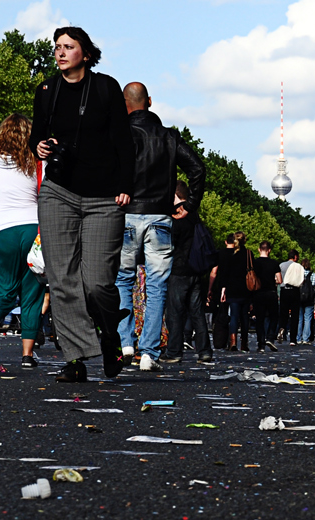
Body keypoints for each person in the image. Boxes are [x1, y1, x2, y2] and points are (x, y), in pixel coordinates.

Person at [29, 27, 135, 382]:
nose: (60, 52)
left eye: (68, 47)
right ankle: (75, 359)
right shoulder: (46, 90)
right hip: (59, 192)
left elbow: (124, 140)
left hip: (104, 197)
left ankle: (109, 335)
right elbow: (36, 136)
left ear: (86, 54)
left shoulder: (105, 87)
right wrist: (39, 148)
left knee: (96, 283)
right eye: (57, 47)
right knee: (61, 279)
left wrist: (125, 185)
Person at [116, 81, 206, 369]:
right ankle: (149, 352)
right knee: (156, 287)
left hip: (126, 213)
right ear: (150, 101)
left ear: (124, 103)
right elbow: (197, 168)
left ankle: (125, 341)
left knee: (122, 280)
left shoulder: (118, 134)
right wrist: (189, 206)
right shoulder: (169, 137)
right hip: (159, 217)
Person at [0, 114, 47, 368]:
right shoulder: (36, 157)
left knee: (2, 289)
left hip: (2, 230)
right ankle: (27, 354)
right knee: (32, 292)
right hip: (32, 228)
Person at [164, 181, 214, 365]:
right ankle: (204, 351)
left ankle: (174, 351)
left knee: (175, 313)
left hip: (179, 269)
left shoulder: (177, 215)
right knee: (197, 313)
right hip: (196, 270)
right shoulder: (195, 216)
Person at [217, 232, 252, 352]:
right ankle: (244, 343)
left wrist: (223, 289)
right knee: (244, 318)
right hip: (246, 288)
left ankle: (233, 342)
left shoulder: (229, 254)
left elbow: (225, 273)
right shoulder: (248, 254)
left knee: (234, 316)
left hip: (232, 288)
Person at [253, 241, 282, 352]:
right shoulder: (274, 263)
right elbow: (280, 280)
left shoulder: (255, 263)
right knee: (273, 317)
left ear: (259, 249)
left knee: (259, 319)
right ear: (269, 250)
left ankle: (261, 344)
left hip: (258, 293)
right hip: (271, 293)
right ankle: (270, 337)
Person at [208, 233, 235, 350]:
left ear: (225, 242)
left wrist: (209, 288)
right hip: (236, 287)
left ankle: (221, 339)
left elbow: (214, 272)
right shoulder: (238, 254)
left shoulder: (220, 254)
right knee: (235, 314)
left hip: (222, 287)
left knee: (221, 314)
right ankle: (234, 340)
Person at [278, 249, 303, 345]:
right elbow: (302, 280)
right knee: (295, 315)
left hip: (284, 290)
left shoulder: (281, 265)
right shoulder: (298, 266)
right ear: (295, 257)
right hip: (295, 291)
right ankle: (293, 339)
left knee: (283, 313)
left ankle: (282, 330)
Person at [297, 258, 315, 345]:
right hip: (309, 299)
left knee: (299, 319)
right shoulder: (313, 275)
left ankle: (298, 338)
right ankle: (305, 338)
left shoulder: (298, 275)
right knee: (308, 319)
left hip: (299, 299)